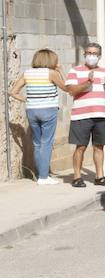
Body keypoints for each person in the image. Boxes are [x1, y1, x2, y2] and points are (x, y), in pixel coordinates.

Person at [8, 47, 73, 185]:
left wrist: (26, 100)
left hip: (32, 110)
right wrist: (61, 70)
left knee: (37, 143)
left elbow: (13, 92)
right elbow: (67, 88)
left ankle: (40, 175)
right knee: (47, 143)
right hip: (48, 110)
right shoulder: (51, 73)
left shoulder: (27, 73)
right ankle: (44, 177)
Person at [66, 42, 105, 188]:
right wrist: (88, 81)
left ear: (99, 56)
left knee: (99, 146)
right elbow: (71, 91)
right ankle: (77, 176)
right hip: (81, 115)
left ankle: (99, 176)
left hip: (101, 114)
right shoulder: (75, 71)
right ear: (84, 54)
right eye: (89, 53)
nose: (91, 56)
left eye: (95, 54)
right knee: (80, 146)